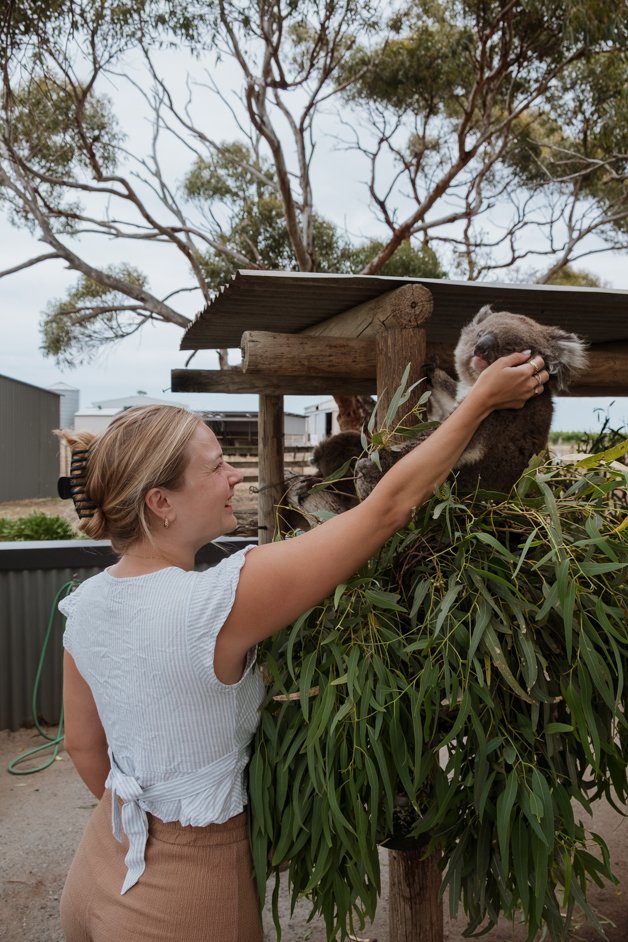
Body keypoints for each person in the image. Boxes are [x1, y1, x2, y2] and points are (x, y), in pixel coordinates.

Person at [57, 350, 549, 942]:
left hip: (96, 871)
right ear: (160, 503)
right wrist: (479, 403)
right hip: (182, 897)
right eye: (215, 467)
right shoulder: (214, 604)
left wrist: (145, 826)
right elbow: (386, 509)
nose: (234, 476)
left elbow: (84, 748)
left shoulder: (82, 606)